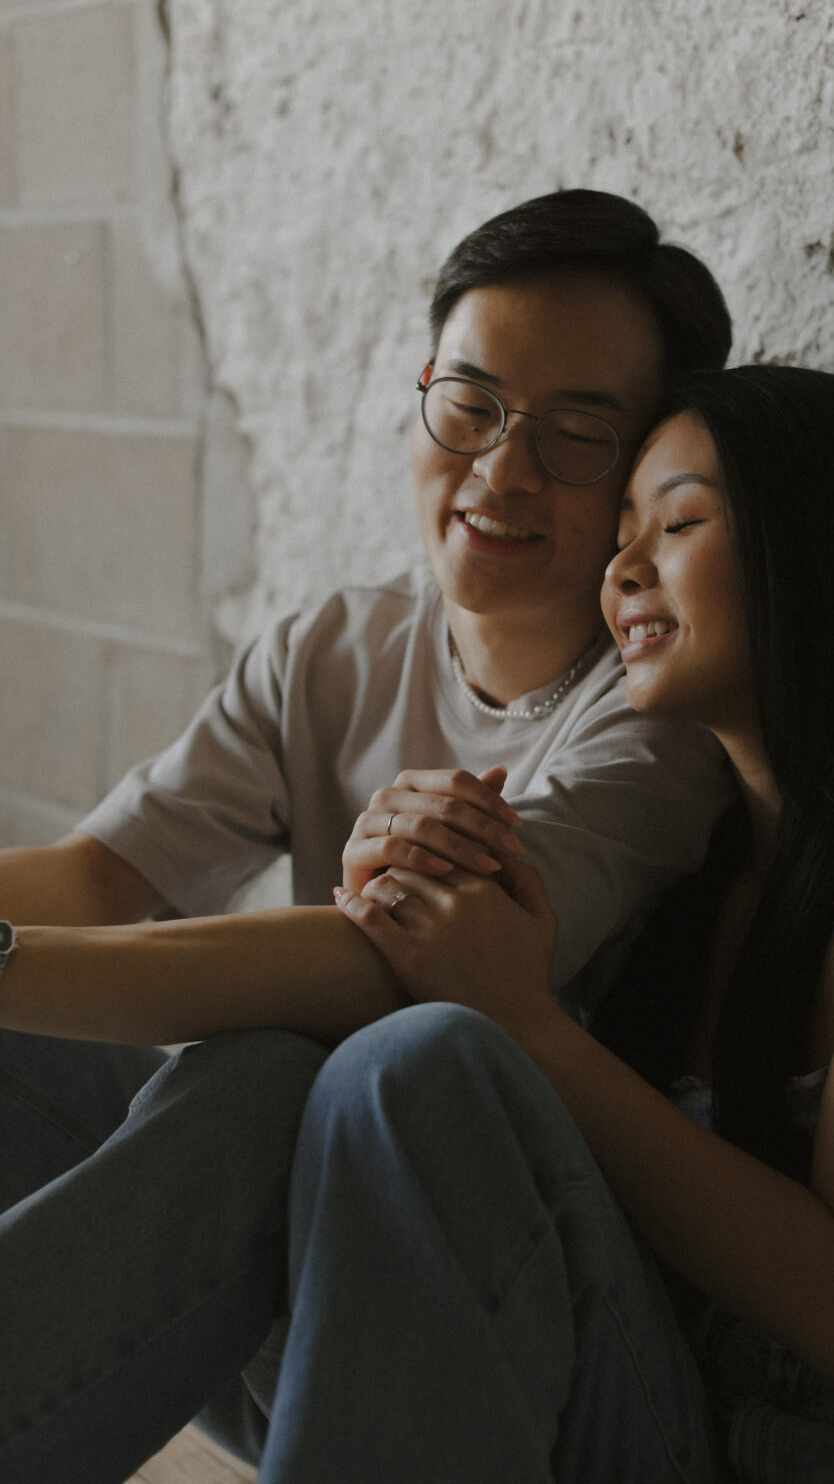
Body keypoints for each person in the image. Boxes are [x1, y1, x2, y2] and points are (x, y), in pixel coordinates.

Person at [0, 189, 735, 1483]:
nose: (500, 472)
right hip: (330, 1334)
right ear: (420, 395)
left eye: (573, 437)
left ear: (641, 478)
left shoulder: (654, 717)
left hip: (553, 1357)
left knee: (341, 1061)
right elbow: (103, 875)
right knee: (39, 1053)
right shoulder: (337, 647)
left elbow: (395, 964)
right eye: (469, 407)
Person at [271, 364, 834, 1482]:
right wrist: (394, 867)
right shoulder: (690, 879)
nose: (623, 570)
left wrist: (518, 1019)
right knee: (217, 1080)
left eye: (677, 522)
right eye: (620, 538)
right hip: (690, 1414)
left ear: (814, 549)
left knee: (412, 1063)